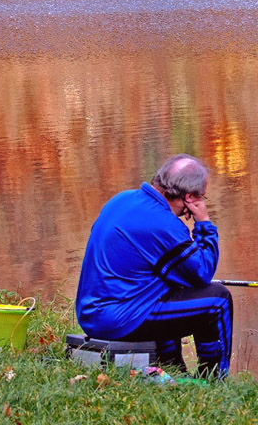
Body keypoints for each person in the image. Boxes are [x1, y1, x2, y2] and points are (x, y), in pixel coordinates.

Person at [75, 154, 232, 379]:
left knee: (170, 285)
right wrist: (204, 224)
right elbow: (202, 274)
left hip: (92, 313)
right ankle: (214, 378)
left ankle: (173, 367)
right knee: (217, 300)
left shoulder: (123, 199)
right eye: (201, 196)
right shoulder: (163, 224)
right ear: (189, 197)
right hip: (116, 318)